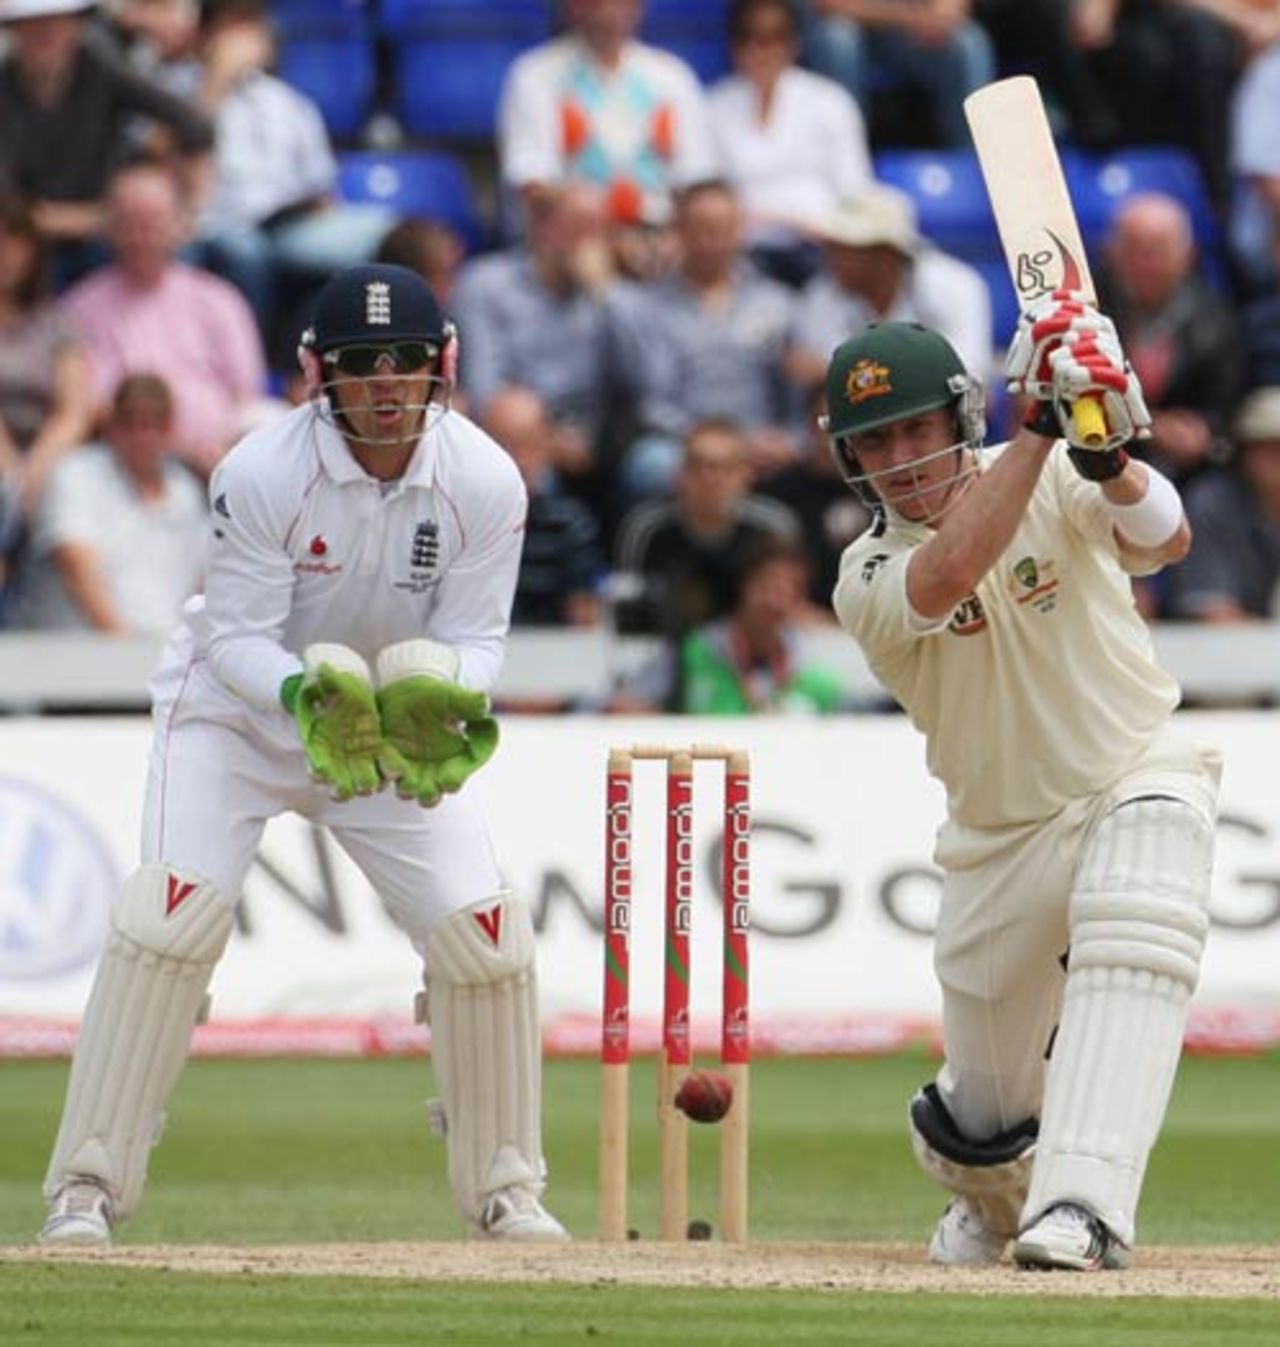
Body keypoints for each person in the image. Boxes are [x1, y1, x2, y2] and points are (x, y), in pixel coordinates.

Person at [38, 262, 568, 1247]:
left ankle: (506, 1190)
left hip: (385, 724)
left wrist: (443, 694)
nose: (384, 383)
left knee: (486, 935)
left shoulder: (486, 478)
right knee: (167, 920)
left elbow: (479, 637)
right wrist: (300, 696)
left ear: (443, 362)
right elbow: (236, 638)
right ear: (317, 371)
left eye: (404, 360)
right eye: (361, 364)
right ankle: (86, 1188)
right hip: (237, 719)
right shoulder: (261, 470)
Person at [825, 309, 1220, 1270]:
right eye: (876, 441)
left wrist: (1109, 456)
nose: (901, 458)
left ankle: (1084, 1207)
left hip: (1131, 769)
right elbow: (948, 572)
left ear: (960, 416)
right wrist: (1044, 427)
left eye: (916, 428)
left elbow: (1168, 537)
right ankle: (991, 1195)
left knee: (1143, 895)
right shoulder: (864, 573)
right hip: (998, 841)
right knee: (983, 1121)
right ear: (848, 458)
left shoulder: (1053, 469)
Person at [59, 160, 269, 477]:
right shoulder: (78, 310)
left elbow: (247, 395)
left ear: (180, 226)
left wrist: (223, 451)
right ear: (109, 228)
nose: (141, 236)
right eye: (129, 223)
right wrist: (178, 448)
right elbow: (95, 406)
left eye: (153, 223)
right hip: (127, 463)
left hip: (225, 458)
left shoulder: (219, 299)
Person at [0, 0, 213, 274]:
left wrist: (188, 209)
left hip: (111, 234)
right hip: (30, 242)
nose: (46, 34)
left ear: (78, 25)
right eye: (33, 25)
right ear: (14, 30)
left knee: (176, 252)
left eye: (57, 22)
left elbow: (194, 127)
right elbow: (9, 202)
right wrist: (72, 219)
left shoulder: (102, 70)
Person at [497, 0, 718, 234]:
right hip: (579, 233)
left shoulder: (671, 75)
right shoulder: (535, 75)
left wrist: (676, 233)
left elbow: (698, 177)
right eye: (594, 2)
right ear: (569, 6)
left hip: (663, 231)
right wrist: (604, 226)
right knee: (582, 215)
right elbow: (532, 181)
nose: (608, 11)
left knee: (713, 210)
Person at [11, 370, 206, 634]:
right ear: (111, 425)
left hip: (163, 647)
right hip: (77, 648)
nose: (143, 436)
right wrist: (124, 647)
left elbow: (201, 582)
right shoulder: (74, 474)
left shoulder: (185, 490)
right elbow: (75, 567)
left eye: (155, 424)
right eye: (131, 423)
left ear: (171, 429)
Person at [707, 0, 873, 287]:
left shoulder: (831, 102)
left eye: (773, 38)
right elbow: (708, 195)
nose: (760, 50)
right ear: (734, 46)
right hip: (742, 256)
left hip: (822, 251)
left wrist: (821, 228)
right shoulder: (713, 106)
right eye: (749, 38)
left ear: (793, 44)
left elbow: (855, 190)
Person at [789, 184, 994, 398]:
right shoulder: (822, 293)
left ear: (884, 254)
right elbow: (808, 371)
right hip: (863, 408)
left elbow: (970, 375)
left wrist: (862, 376)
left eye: (844, 248)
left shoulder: (955, 285)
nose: (830, 257)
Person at [613, 416, 800, 636]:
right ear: (679, 474)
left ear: (747, 474)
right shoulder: (645, 529)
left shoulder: (772, 528)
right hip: (662, 645)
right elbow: (626, 610)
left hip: (751, 648)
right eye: (697, 466)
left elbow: (791, 606)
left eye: (725, 468)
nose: (710, 479)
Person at [612, 536, 845, 712]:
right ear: (745, 586)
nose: (774, 600)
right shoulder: (694, 650)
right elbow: (622, 706)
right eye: (767, 586)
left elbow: (852, 722)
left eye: (788, 591)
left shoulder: (811, 668)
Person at [1164, 384, 1280, 623]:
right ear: (1244, 451)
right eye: (1270, 447)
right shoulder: (1212, 503)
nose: (1277, 458)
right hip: (1226, 645)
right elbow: (1212, 611)